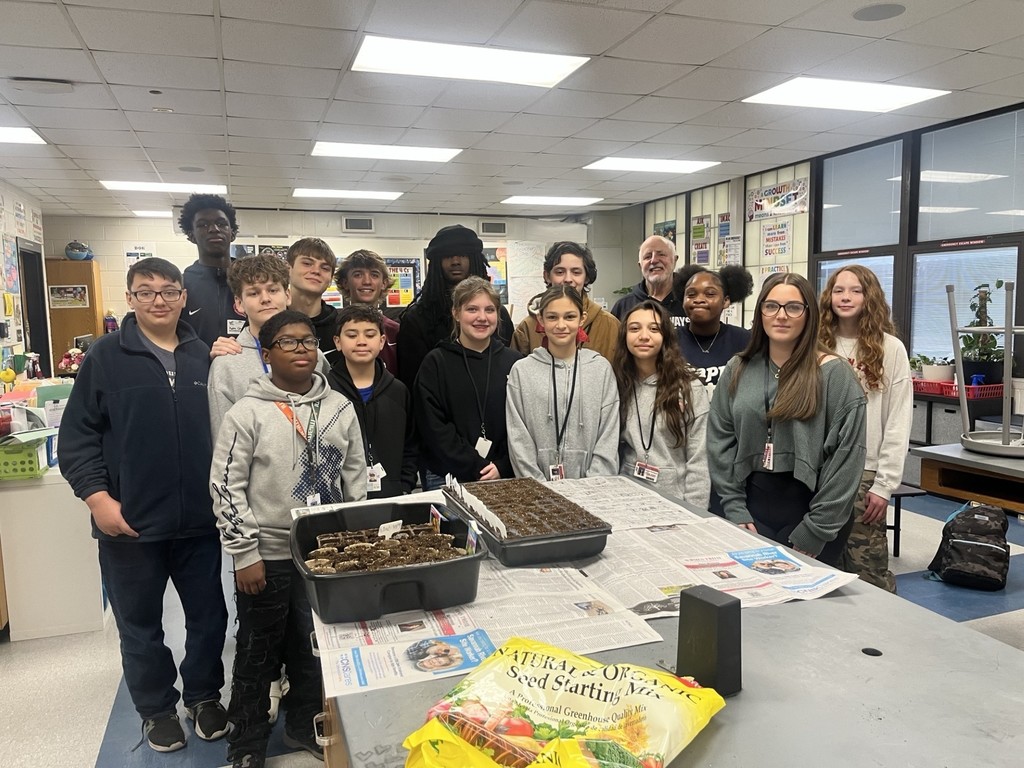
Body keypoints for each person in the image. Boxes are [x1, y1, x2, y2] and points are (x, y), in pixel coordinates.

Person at [58, 257, 228, 753]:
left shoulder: (207, 358)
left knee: (208, 618)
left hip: (198, 521)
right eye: (146, 291)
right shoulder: (107, 355)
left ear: (183, 297)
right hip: (128, 523)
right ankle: (156, 709)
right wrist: (98, 499)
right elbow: (78, 437)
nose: (159, 300)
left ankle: (203, 696)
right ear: (130, 299)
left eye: (168, 290)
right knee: (140, 628)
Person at [210, 310, 366, 768]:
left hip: (325, 554)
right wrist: (244, 553)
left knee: (312, 648)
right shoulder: (247, 413)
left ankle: (302, 726)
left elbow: (355, 476)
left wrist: (352, 540)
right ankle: (246, 743)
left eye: (308, 341)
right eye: (288, 342)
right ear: (267, 352)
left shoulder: (339, 407)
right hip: (268, 555)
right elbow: (226, 486)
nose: (300, 349)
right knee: (258, 653)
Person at [707, 273, 867, 566]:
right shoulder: (738, 368)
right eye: (771, 306)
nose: (781, 316)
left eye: (793, 307)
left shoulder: (834, 375)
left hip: (811, 511)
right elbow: (720, 441)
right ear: (760, 313)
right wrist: (734, 506)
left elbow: (847, 457)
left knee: (809, 608)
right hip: (749, 507)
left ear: (809, 315)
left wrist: (817, 528)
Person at [820, 265, 912, 593]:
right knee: (820, 565)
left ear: (869, 296)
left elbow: (898, 420)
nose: (845, 297)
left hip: (866, 473)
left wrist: (885, 484)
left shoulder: (890, 348)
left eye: (856, 290)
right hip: (821, 471)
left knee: (867, 569)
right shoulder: (815, 343)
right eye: (838, 290)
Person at [415, 276, 521, 485]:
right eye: (472, 309)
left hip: (504, 473)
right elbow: (433, 427)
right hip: (446, 475)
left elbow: (526, 425)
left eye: (489, 310)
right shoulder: (436, 363)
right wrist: (475, 465)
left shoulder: (515, 362)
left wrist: (504, 465)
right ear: (456, 313)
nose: (482, 317)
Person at [506, 285, 619, 480]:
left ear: (581, 319)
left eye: (569, 317)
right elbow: (518, 438)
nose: (561, 325)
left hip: (594, 491)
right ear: (540, 319)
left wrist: (594, 487)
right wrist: (538, 487)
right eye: (552, 317)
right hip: (538, 491)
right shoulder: (522, 371)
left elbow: (608, 434)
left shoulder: (600, 369)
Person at [614, 301, 710, 509]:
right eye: (634, 328)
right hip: (627, 500)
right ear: (625, 336)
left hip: (675, 502)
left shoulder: (689, 388)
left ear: (666, 336)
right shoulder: (617, 384)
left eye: (654, 329)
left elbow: (699, 459)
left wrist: (695, 513)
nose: (644, 336)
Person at [398, 224, 514, 391]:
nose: (455, 261)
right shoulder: (418, 318)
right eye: (447, 256)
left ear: (473, 259)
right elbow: (411, 381)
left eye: (462, 255)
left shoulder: (496, 315)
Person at [328, 304, 418, 498]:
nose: (361, 342)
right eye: (351, 336)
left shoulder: (398, 391)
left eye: (370, 335)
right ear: (337, 341)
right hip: (341, 498)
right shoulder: (326, 392)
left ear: (382, 341)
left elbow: (410, 444)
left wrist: (404, 485)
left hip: (392, 494)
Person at [511, 241, 620, 361]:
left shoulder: (610, 325)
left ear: (587, 277)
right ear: (547, 276)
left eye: (576, 272)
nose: (568, 279)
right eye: (560, 272)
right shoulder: (528, 327)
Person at [676, 264, 754, 393]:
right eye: (691, 294)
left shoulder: (744, 340)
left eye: (710, 294)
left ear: (726, 301)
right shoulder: (669, 340)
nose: (699, 299)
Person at [180, 193, 244, 347]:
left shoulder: (250, 280)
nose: (214, 229)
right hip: (197, 368)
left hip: (246, 368)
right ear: (191, 236)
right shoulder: (182, 284)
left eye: (221, 224)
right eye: (203, 225)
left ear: (233, 233)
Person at [335, 248, 399, 372]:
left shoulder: (395, 332)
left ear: (384, 283)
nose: (367, 281)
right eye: (358, 275)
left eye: (374, 275)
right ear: (345, 282)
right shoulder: (335, 327)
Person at [610, 235, 686, 336]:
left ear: (675, 260)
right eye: (648, 256)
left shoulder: (689, 302)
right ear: (640, 265)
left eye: (661, 254)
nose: (654, 260)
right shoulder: (623, 306)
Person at [286, 237, 340, 360]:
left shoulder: (342, 326)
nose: (316, 271)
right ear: (288, 269)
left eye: (325, 268)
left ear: (330, 279)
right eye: (307, 263)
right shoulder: (268, 320)